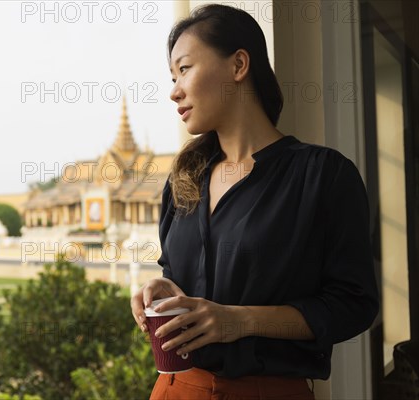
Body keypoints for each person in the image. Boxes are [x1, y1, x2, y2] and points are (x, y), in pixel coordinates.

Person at [130, 4, 380, 400]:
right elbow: (177, 273)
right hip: (176, 388)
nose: (174, 89)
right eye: (172, 76)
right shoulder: (183, 180)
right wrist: (162, 288)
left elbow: (354, 305)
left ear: (239, 65)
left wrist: (240, 321)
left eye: (186, 69)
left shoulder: (322, 175)